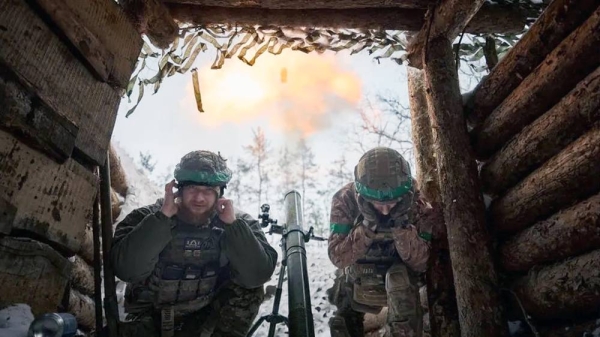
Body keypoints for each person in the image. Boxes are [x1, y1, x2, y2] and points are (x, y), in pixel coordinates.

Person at [110, 150, 278, 337]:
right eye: (192, 189)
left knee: (250, 287)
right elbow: (126, 269)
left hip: (204, 322)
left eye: (208, 191)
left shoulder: (238, 222)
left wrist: (233, 227)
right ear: (178, 189)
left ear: (220, 194)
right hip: (150, 319)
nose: (199, 198)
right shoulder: (146, 218)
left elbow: (257, 274)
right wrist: (162, 219)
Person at [327, 147, 437, 337]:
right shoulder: (345, 199)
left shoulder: (416, 201)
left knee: (399, 280)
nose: (385, 211)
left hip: (401, 276)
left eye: (392, 203)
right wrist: (367, 227)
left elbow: (422, 262)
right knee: (343, 304)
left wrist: (401, 227)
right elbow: (338, 256)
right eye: (378, 204)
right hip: (358, 273)